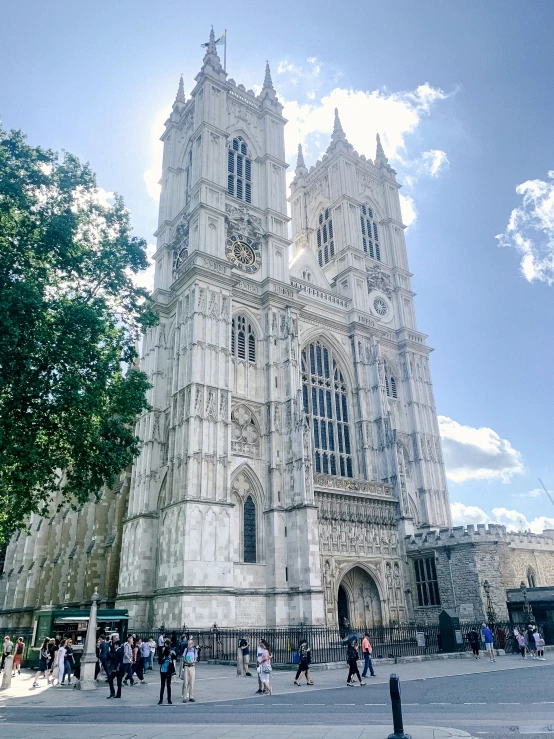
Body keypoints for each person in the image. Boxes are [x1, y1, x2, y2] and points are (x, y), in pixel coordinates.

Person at [182, 638, 198, 703]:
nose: (189, 645)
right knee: (186, 682)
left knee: (192, 682)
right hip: (186, 666)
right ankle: (184, 697)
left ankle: (191, 696)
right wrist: (187, 661)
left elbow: (196, 659)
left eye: (190, 644)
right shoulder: (186, 650)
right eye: (188, 644)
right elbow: (183, 658)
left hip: (192, 666)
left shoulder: (194, 650)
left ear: (193, 644)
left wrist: (193, 661)